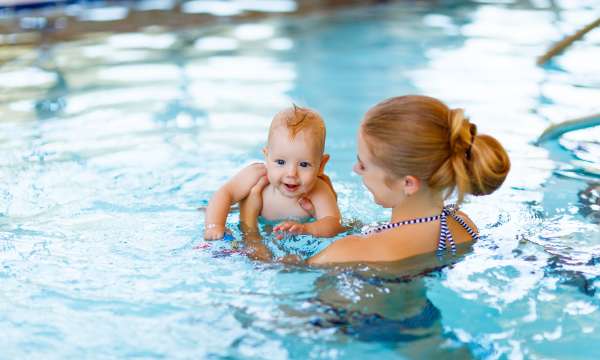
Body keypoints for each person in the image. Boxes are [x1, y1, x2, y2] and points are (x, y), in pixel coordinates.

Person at [239, 95, 511, 264]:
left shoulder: (347, 253)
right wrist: (338, 223)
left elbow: (269, 265)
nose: (356, 170)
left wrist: (249, 221)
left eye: (364, 164)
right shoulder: (463, 225)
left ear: (408, 183)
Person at [203, 105, 344, 241]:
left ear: (321, 165)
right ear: (267, 157)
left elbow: (334, 223)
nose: (292, 174)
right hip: (254, 227)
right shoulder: (256, 175)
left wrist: (306, 229)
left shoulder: (318, 191)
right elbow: (224, 193)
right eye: (281, 162)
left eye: (303, 164)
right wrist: (214, 225)